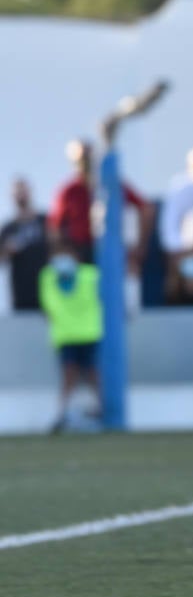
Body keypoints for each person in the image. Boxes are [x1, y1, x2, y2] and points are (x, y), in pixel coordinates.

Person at [38, 239, 103, 433]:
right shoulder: (48, 276)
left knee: (94, 373)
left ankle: (101, 410)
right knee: (69, 375)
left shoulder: (91, 275)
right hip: (65, 335)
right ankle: (62, 414)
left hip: (90, 332)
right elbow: (47, 306)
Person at [0, 178, 48, 312]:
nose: (21, 195)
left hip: (47, 291)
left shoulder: (44, 221)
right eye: (17, 193)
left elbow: (58, 246)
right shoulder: (8, 228)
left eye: (23, 191)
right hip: (21, 295)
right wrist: (7, 250)